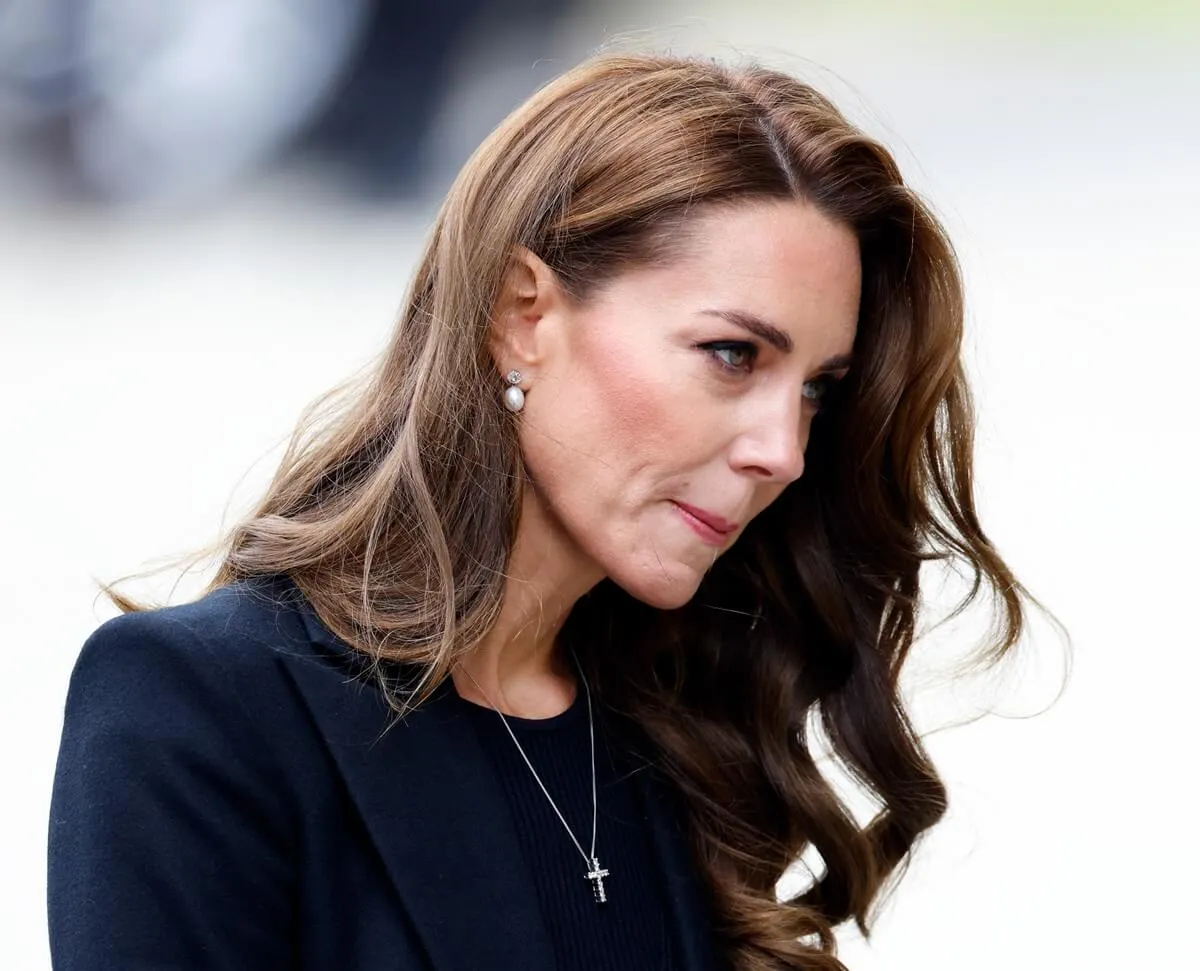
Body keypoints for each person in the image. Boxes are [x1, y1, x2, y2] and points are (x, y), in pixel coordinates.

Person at [47, 53, 1040, 971]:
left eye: (818, 389)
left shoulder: (684, 716)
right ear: (522, 314)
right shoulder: (203, 707)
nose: (783, 450)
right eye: (733, 354)